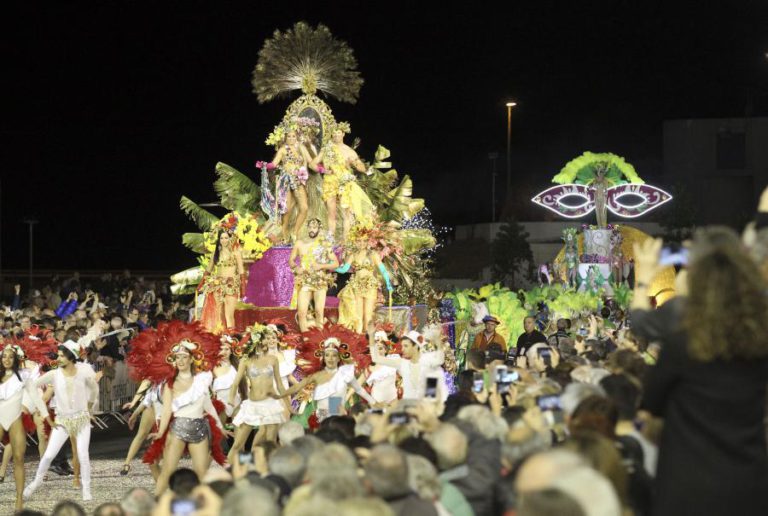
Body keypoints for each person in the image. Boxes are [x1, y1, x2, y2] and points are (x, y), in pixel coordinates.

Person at [631, 231, 768, 516]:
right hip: (750, 484)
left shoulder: (684, 339)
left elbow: (651, 402)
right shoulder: (760, 333)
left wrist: (643, 277)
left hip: (688, 488)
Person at [126, 321, 227, 496]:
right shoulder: (169, 384)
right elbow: (166, 411)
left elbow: (207, 404)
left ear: (192, 359)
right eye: (177, 357)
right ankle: (157, 505)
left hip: (200, 429)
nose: (180, 360)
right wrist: (160, 432)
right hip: (177, 429)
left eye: (184, 357)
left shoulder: (202, 380)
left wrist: (220, 426)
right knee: (167, 472)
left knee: (202, 475)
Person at [25, 340, 99, 502]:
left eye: (61, 356)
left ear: (71, 357)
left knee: (83, 454)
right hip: (62, 421)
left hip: (81, 420)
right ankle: (36, 482)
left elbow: (94, 389)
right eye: (58, 355)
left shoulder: (83, 372)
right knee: (48, 455)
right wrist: (43, 412)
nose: (58, 359)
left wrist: (90, 407)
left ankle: (86, 488)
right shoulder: (54, 374)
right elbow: (32, 386)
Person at [287, 327, 375, 424]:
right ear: (323, 358)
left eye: (334, 355)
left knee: (333, 428)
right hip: (321, 412)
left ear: (338, 358)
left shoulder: (344, 374)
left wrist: (373, 402)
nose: (330, 358)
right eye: (327, 355)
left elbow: (358, 389)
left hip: (335, 410)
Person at [227, 324, 286, 464]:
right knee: (237, 445)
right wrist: (230, 399)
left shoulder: (273, 359)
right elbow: (235, 383)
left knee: (269, 443)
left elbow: (280, 384)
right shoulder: (246, 361)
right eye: (266, 338)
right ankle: (241, 466)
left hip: (271, 404)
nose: (269, 341)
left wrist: (288, 405)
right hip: (252, 405)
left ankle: (264, 470)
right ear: (257, 340)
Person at [0, 343, 49, 510]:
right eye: (4, 356)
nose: (6, 359)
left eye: (10, 357)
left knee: (19, 459)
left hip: (15, 420)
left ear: (15, 359)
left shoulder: (24, 376)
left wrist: (47, 417)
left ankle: (19, 499)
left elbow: (36, 398)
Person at [310, 123, 375, 240]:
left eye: (338, 133)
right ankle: (330, 241)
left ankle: (346, 242)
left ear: (343, 134)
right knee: (331, 213)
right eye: (333, 133)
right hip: (330, 182)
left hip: (345, 183)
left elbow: (361, 166)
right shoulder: (327, 149)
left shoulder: (349, 151)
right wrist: (323, 170)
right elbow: (312, 164)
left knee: (347, 214)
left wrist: (355, 164)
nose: (336, 135)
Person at [336, 233, 394, 334]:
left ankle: (368, 339)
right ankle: (358, 339)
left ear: (368, 241)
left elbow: (383, 270)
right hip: (357, 286)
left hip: (370, 286)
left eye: (364, 240)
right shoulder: (352, 255)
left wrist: (388, 283)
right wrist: (331, 267)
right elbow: (344, 269)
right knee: (358, 315)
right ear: (355, 242)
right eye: (359, 241)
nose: (361, 243)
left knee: (368, 314)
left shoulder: (373, 254)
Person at [289, 219, 339, 332]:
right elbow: (291, 261)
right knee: (302, 312)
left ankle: (318, 339)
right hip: (304, 281)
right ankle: (306, 338)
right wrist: (296, 268)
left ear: (319, 229)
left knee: (318, 311)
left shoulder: (324, 244)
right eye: (310, 227)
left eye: (314, 228)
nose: (312, 230)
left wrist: (321, 266)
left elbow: (336, 263)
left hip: (320, 281)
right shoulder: (299, 243)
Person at [199, 228, 246, 332]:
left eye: (226, 238)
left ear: (230, 238)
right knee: (218, 313)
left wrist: (243, 288)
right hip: (217, 285)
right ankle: (219, 337)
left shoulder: (236, 253)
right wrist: (201, 283)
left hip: (231, 285)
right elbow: (208, 270)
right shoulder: (215, 254)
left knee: (229, 314)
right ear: (219, 240)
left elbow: (242, 271)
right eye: (221, 238)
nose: (224, 240)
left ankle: (231, 339)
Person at [272, 129, 313, 243]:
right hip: (286, 181)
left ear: (297, 137)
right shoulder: (282, 150)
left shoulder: (301, 148)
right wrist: (266, 165)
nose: (291, 138)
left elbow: (311, 162)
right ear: (285, 138)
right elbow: (274, 163)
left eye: (293, 136)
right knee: (287, 209)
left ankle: (295, 232)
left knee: (304, 208)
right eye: (288, 136)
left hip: (299, 181)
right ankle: (284, 232)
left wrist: (322, 168)